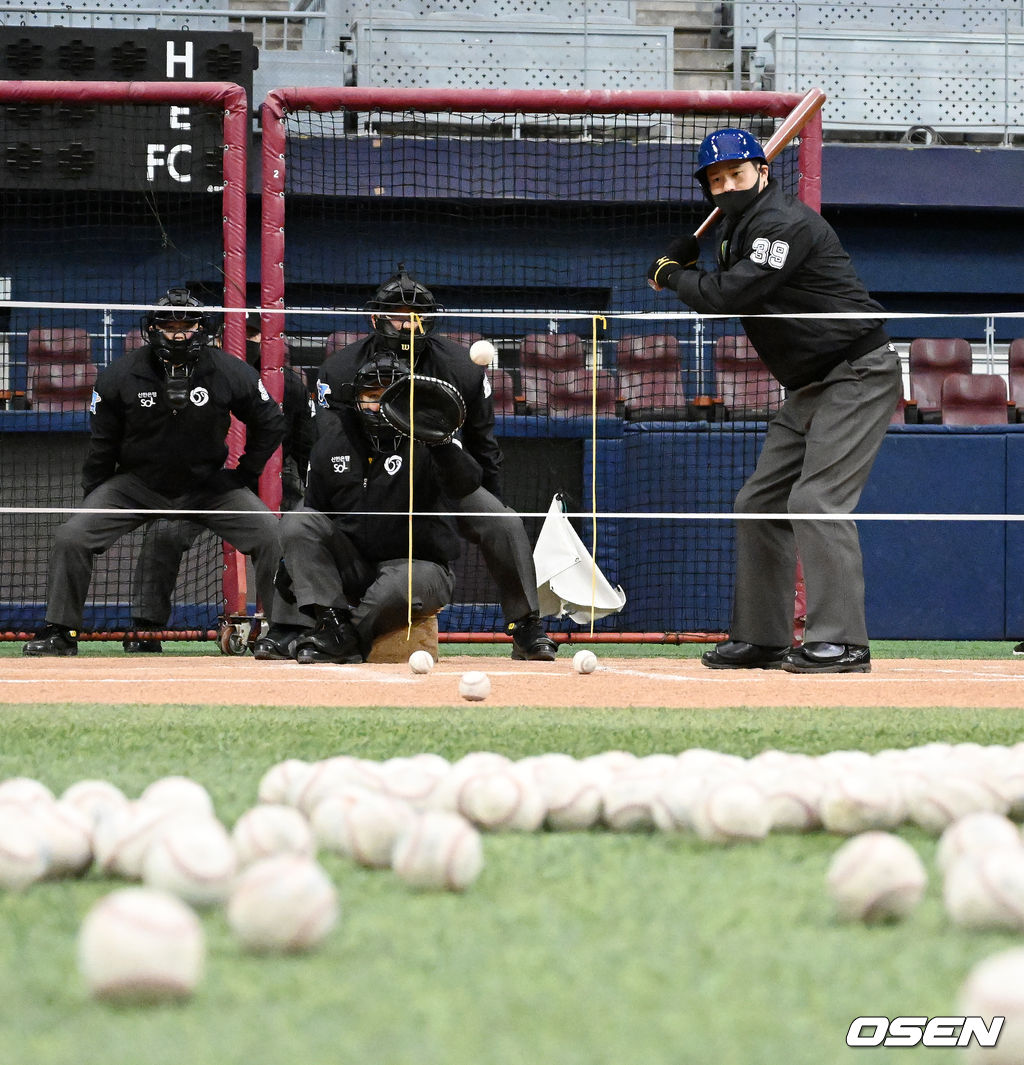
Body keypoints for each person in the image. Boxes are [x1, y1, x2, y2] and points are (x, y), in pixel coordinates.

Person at [647, 128, 901, 675]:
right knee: (757, 503)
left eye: (737, 173)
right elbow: (726, 279)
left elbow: (727, 296)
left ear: (763, 172)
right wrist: (691, 265)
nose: (727, 185)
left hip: (857, 371)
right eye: (716, 180)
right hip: (809, 384)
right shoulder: (737, 230)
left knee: (816, 500)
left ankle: (842, 642)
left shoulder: (782, 222)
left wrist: (673, 275)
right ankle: (762, 638)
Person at [263, 265, 558, 663]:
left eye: (417, 315)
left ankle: (525, 627)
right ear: (375, 318)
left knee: (501, 521)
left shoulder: (462, 369)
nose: (409, 324)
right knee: (306, 520)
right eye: (399, 315)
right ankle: (292, 626)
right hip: (370, 471)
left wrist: (484, 500)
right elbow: (331, 441)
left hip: (442, 470)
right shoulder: (340, 369)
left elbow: (483, 445)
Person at [22, 287, 285, 657]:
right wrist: (95, 496)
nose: (178, 334)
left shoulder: (228, 370)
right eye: (169, 325)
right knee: (73, 536)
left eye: (187, 325)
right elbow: (102, 445)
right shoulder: (121, 374)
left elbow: (271, 423)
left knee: (271, 534)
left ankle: (281, 630)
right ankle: (59, 631)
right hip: (137, 483)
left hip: (208, 485)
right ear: (153, 329)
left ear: (201, 329)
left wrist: (243, 475)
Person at [253, 349, 482, 663]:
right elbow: (316, 518)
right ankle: (331, 627)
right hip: (354, 565)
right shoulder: (332, 443)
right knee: (297, 521)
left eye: (390, 394)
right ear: (355, 400)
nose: (380, 404)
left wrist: (443, 445)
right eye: (371, 395)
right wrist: (292, 565)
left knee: (399, 587)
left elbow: (465, 484)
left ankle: (337, 639)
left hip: (420, 567)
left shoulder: (431, 435)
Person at [123, 312, 315, 652]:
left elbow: (304, 445)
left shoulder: (292, 386)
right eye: (241, 335)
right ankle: (146, 626)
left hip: (269, 474)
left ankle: (287, 628)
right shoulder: (187, 373)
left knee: (291, 535)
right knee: (164, 532)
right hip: (201, 479)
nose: (248, 343)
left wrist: (305, 494)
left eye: (256, 336)